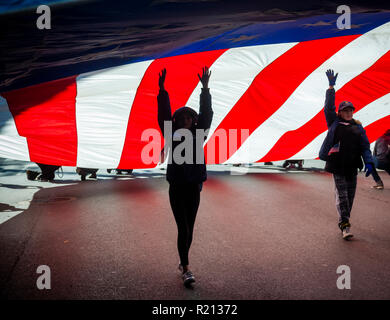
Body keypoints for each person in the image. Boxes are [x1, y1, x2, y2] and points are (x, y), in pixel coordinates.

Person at [157, 66, 212, 287]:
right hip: (177, 187)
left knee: (190, 226)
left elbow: (206, 113)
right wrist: (162, 91)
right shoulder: (171, 133)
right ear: (177, 121)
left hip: (194, 186)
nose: (185, 119)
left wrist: (205, 88)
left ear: (194, 121)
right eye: (182, 117)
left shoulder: (200, 135)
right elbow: (163, 115)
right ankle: (187, 268)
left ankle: (182, 261)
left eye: (189, 117)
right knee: (184, 227)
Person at [319, 69, 375, 240]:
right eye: (345, 110)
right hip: (337, 166)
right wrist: (331, 87)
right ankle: (345, 225)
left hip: (352, 166)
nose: (349, 112)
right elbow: (328, 108)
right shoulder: (334, 123)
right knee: (342, 196)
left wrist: (370, 162)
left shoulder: (358, 128)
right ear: (340, 112)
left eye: (351, 110)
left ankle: (344, 219)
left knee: (350, 197)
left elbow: (365, 147)